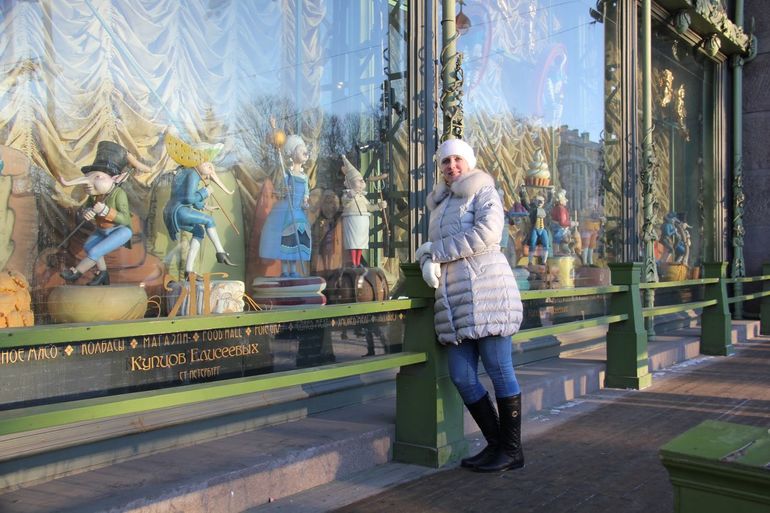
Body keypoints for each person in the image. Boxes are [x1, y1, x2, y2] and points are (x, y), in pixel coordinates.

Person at [416, 138, 525, 473]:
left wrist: (435, 252)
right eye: (445, 161)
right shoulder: (440, 203)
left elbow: (488, 233)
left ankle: (512, 450)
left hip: (488, 292)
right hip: (455, 300)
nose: (452, 166)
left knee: (499, 369)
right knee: (461, 376)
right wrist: (426, 258)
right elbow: (436, 246)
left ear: (468, 162)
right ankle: (496, 445)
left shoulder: (484, 191)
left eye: (457, 160)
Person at [59, 141, 138, 285]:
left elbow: (125, 219)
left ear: (116, 178)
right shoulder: (95, 196)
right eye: (89, 177)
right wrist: (88, 212)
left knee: (95, 252)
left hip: (119, 231)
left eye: (97, 177)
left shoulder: (118, 194)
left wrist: (105, 211)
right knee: (88, 247)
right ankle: (103, 274)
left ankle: (76, 273)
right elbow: (88, 209)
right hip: (102, 230)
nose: (89, 184)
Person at [163, 139, 236, 278]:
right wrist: (205, 192)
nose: (210, 168)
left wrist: (204, 205)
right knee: (209, 220)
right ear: (198, 162)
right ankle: (220, 252)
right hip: (179, 211)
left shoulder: (183, 172)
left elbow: (188, 199)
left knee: (199, 231)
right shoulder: (193, 173)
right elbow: (189, 198)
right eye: (207, 164)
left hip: (172, 211)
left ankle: (189, 271)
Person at [259, 134, 311, 277]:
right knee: (287, 240)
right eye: (301, 150)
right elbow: (279, 191)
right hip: (287, 211)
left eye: (305, 150)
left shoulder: (304, 177)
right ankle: (284, 271)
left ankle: (293, 270)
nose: (305, 152)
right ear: (293, 155)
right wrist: (284, 190)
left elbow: (306, 192)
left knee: (296, 241)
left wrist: (305, 201)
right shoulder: (287, 174)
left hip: (298, 212)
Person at [340, 155, 387, 268]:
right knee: (353, 241)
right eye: (359, 180)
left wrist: (379, 205)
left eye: (362, 181)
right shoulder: (347, 194)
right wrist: (350, 196)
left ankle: (358, 261)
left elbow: (369, 207)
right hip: (352, 219)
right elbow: (344, 202)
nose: (362, 183)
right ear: (350, 182)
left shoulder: (362, 197)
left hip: (362, 221)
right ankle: (353, 262)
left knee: (360, 242)